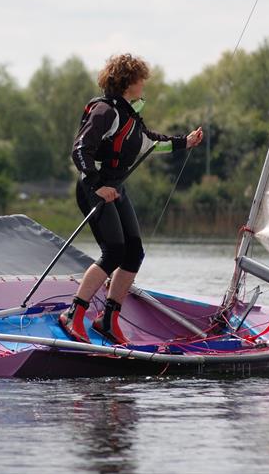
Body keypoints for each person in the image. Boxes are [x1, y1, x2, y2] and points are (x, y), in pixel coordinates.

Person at [59, 53, 203, 345]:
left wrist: (184, 142)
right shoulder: (105, 111)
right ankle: (73, 314)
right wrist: (96, 184)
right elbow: (79, 150)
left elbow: (149, 143)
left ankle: (107, 320)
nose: (144, 84)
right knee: (113, 251)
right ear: (128, 82)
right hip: (94, 187)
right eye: (141, 79)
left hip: (116, 188)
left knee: (133, 252)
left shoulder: (129, 115)